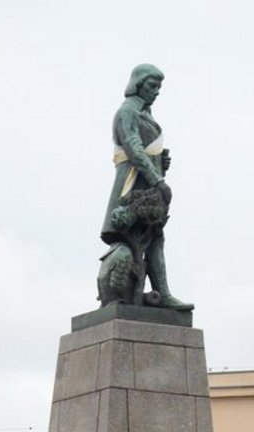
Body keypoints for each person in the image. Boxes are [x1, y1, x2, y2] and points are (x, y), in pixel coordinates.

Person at [98, 63, 192, 312]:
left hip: (147, 183)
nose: (156, 92)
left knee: (155, 236)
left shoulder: (146, 114)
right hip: (132, 185)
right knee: (129, 237)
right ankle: (121, 293)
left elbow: (145, 151)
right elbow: (134, 148)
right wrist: (157, 180)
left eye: (159, 87)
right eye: (152, 86)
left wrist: (161, 163)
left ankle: (163, 293)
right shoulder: (127, 111)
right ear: (138, 84)